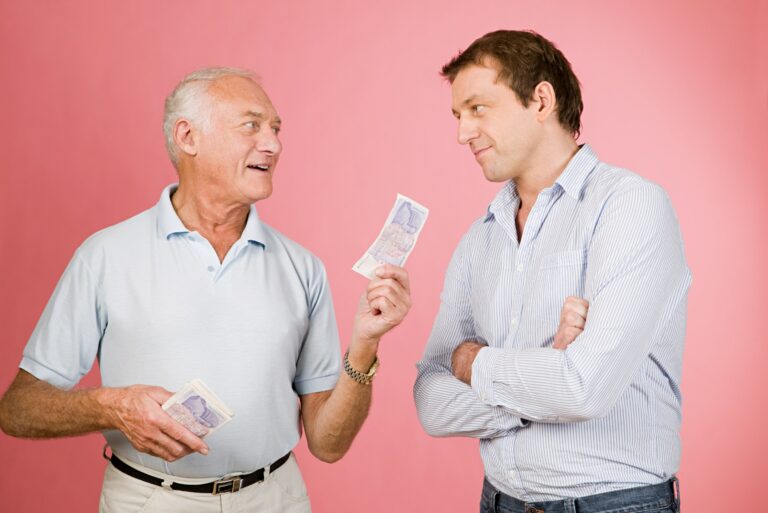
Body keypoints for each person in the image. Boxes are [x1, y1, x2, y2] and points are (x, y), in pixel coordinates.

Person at [0, 67, 412, 513]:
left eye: (275, 129)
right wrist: (109, 406)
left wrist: (365, 345)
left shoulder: (303, 268)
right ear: (188, 137)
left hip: (276, 499)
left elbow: (328, 444)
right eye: (251, 125)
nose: (273, 144)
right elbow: (18, 409)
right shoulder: (103, 256)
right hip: (147, 501)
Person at [414, 30, 690, 513]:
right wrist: (545, 374)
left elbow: (583, 389)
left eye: (478, 108)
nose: (462, 132)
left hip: (614, 505)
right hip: (499, 502)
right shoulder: (481, 238)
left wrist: (472, 363)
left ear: (541, 100)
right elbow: (431, 402)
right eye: (458, 116)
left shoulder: (629, 206)